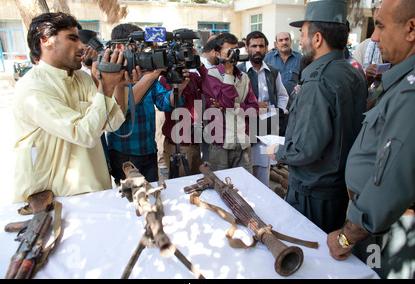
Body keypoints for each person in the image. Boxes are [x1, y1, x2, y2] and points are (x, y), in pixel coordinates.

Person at [327, 0, 415, 279]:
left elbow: (394, 177)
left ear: (412, 29)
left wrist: (346, 236)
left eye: (381, 26)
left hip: (400, 236)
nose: (374, 36)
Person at [267, 0, 368, 233]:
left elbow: (305, 149)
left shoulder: (318, 82)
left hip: (313, 192)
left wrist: (277, 152)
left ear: (318, 39)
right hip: (338, 186)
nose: (300, 42)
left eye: (302, 35)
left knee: (309, 254)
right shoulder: (354, 74)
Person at [12, 12, 127, 203]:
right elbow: (83, 134)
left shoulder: (82, 77)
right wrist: (105, 86)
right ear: (46, 40)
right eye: (72, 39)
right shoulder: (32, 87)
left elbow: (113, 122)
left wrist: (118, 85)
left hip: (96, 191)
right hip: (53, 201)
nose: (82, 46)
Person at [106, 23, 189, 186]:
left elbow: (165, 103)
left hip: (149, 150)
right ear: (119, 47)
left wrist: (179, 87)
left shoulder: (147, 73)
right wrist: (153, 75)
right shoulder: (110, 77)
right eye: (136, 46)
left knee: (152, 194)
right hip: (124, 154)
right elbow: (122, 111)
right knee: (131, 200)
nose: (141, 51)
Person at [201, 32, 259, 174]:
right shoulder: (210, 75)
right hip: (220, 143)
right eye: (230, 52)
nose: (234, 55)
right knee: (221, 187)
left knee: (245, 186)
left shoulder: (244, 77)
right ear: (218, 54)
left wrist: (235, 107)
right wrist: (228, 72)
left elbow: (254, 109)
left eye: (236, 51)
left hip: (243, 142)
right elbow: (226, 103)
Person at [237, 31, 289, 186]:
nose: (257, 49)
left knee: (264, 166)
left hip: (268, 124)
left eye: (261, 46)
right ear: (246, 48)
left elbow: (282, 95)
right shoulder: (238, 71)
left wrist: (277, 112)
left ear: (267, 48)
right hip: (246, 124)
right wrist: (254, 106)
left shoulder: (272, 71)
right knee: (246, 165)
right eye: (253, 46)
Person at [264, 32, 302, 107]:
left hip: (293, 106)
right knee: (274, 119)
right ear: (276, 44)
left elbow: (305, 80)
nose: (284, 42)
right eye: (281, 40)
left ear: (290, 41)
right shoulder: (267, 58)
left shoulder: (300, 59)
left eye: (286, 39)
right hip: (273, 106)